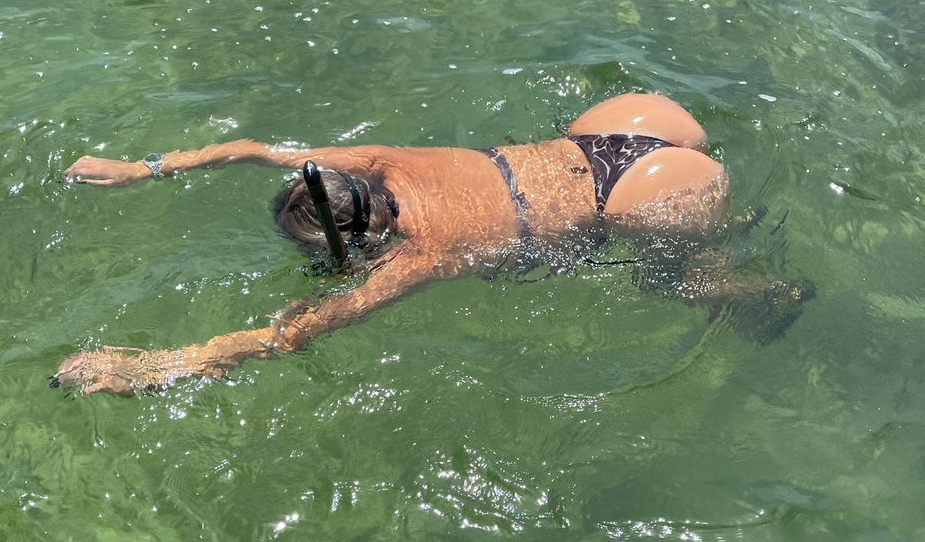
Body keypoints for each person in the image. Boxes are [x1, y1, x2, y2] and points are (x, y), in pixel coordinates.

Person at [54, 92, 808, 395]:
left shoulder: (421, 255)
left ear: (355, 246)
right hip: (630, 126)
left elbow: (290, 336)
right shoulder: (382, 162)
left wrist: (156, 366)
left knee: (675, 278)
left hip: (647, 197)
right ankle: (728, 230)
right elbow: (252, 148)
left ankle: (769, 295)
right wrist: (142, 168)